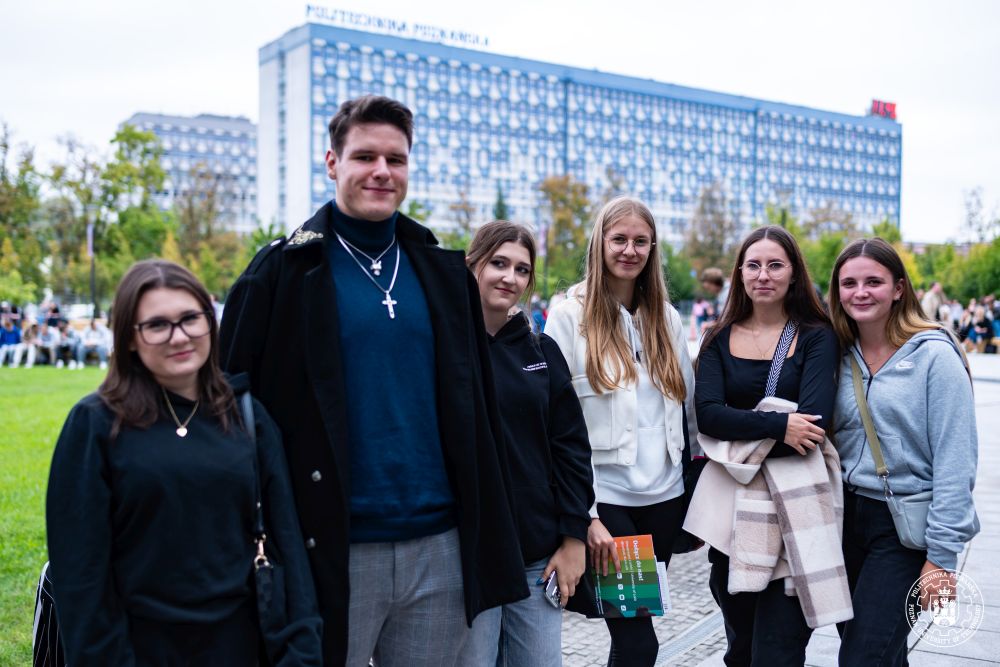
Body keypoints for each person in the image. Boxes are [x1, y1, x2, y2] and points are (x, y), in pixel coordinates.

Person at [219, 95, 527, 666]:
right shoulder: (279, 274)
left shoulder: (443, 273)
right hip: (328, 544)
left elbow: (479, 413)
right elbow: (231, 417)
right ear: (332, 162)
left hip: (439, 545)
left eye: (396, 159)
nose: (382, 171)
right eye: (365, 156)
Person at [46, 259, 322, 665]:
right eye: (157, 325)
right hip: (140, 649)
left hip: (241, 647)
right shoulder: (96, 425)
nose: (179, 337)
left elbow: (288, 545)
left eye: (191, 318)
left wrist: (302, 649)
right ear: (129, 338)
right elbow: (80, 573)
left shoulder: (247, 417)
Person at [684, 225, 849, 666]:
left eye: (775, 265)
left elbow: (810, 428)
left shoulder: (816, 336)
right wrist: (779, 425)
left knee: (778, 653)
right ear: (739, 273)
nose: (763, 275)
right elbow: (709, 416)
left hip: (795, 508)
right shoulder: (718, 337)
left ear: (793, 273)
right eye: (753, 265)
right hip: (732, 517)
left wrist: (741, 431)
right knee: (739, 651)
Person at [545, 196, 697, 667]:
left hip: (665, 500)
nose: (630, 250)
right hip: (608, 502)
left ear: (652, 248)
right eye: (619, 239)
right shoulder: (569, 316)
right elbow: (555, 425)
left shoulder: (667, 319)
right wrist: (584, 516)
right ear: (600, 243)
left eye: (640, 241)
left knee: (634, 634)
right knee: (638, 643)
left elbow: (688, 412)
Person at [829, 238, 979, 666]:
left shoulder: (935, 356)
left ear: (898, 288)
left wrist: (941, 558)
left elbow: (956, 461)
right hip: (843, 521)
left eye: (873, 282)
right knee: (882, 653)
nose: (860, 292)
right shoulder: (836, 353)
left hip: (903, 529)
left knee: (862, 657)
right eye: (849, 283)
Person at [458, 221, 594, 666]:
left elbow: (571, 450)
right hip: (468, 556)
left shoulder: (542, 352)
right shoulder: (445, 349)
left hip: (536, 554)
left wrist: (574, 537)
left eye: (521, 269)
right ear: (472, 265)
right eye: (498, 263)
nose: (509, 277)